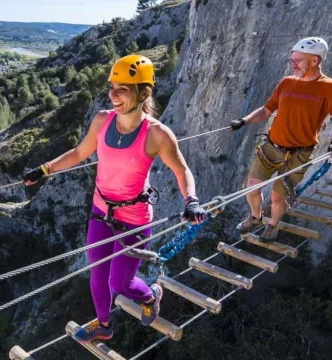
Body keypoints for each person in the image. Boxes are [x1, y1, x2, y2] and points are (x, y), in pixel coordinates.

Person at [23, 54, 209, 343]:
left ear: (143, 93)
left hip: (134, 219)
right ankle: (104, 325)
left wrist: (191, 200)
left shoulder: (157, 134)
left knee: (119, 283)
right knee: (97, 276)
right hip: (101, 212)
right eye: (112, 87)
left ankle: (151, 295)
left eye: (122, 89)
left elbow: (181, 170)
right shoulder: (102, 120)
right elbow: (78, 153)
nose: (113, 95)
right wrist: (45, 169)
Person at [229, 37, 332, 241]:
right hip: (272, 146)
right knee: (252, 185)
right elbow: (267, 109)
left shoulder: (330, 87)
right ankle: (255, 216)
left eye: (298, 60)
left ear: (314, 60)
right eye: (292, 60)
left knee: (278, 195)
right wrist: (244, 121)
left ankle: (273, 225)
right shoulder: (287, 82)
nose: (293, 64)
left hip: (299, 153)